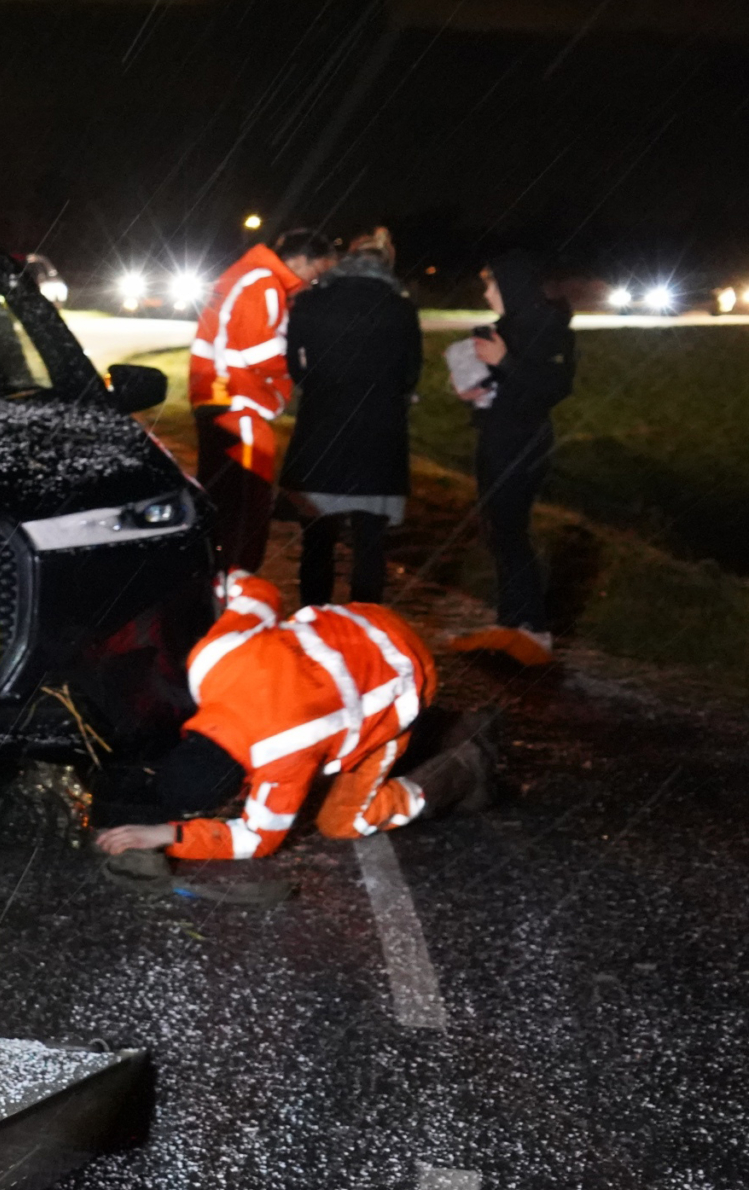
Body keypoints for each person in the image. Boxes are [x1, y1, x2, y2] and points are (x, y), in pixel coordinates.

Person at [94, 571, 493, 863]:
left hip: (409, 675)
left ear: (238, 790)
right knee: (331, 736)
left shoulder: (282, 762)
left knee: (343, 822)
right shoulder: (210, 663)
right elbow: (258, 592)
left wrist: (170, 835)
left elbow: (257, 839)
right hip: (366, 622)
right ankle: (442, 728)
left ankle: (459, 768)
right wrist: (215, 579)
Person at [280, 227, 422, 607]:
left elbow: (294, 365)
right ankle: (365, 625)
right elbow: (411, 373)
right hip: (379, 435)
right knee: (370, 544)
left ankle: (314, 623)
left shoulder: (311, 302)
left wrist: (323, 387)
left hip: (322, 430)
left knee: (317, 541)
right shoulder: (401, 306)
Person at [449, 252, 576, 666]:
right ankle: (511, 623)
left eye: (491, 284)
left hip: (522, 442)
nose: (485, 292)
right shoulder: (508, 328)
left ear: (512, 286)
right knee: (497, 529)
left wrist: (504, 362)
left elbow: (551, 387)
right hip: (496, 435)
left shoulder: (547, 328)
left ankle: (533, 630)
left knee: (509, 530)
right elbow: (505, 388)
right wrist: (475, 388)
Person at [189, 229, 340, 574]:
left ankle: (216, 580)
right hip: (240, 404)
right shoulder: (264, 283)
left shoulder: (244, 275)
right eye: (317, 271)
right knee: (246, 508)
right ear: (301, 260)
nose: (315, 280)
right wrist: (300, 370)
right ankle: (237, 588)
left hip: (218, 398)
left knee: (222, 501)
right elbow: (261, 351)